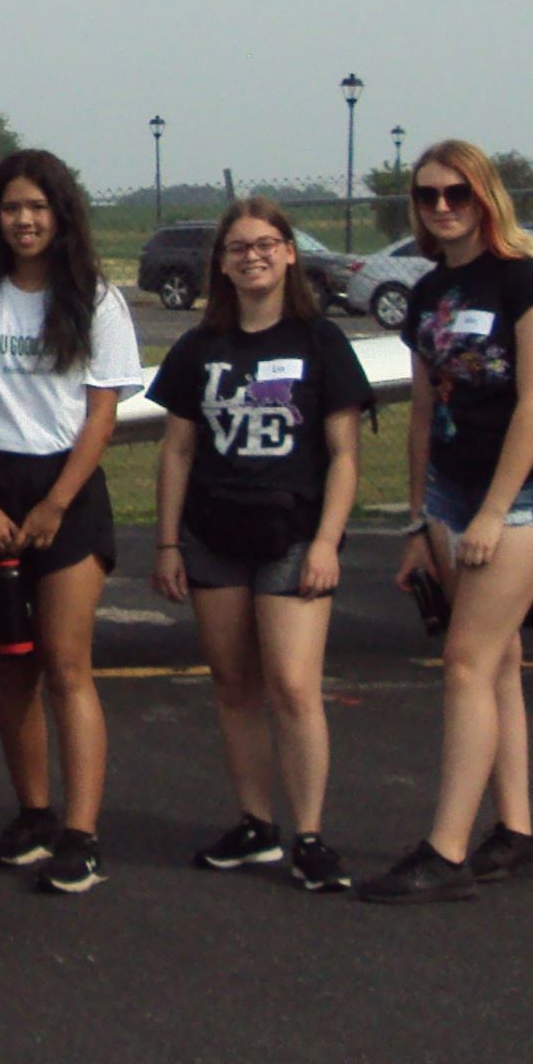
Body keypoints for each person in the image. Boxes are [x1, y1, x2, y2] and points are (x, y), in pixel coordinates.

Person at [360, 142, 533, 904]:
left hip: (525, 493)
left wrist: (491, 513)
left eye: (456, 193)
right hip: (451, 494)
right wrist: (422, 518)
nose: (442, 207)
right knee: (500, 660)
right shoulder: (428, 294)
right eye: (427, 197)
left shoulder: (528, 281)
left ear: (485, 195)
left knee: (465, 661)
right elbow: (424, 407)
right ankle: (514, 834)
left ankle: (446, 851)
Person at [0, 148, 145, 895]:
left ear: (62, 216)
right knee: (11, 664)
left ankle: (81, 834)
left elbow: (103, 413)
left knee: (65, 662)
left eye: (38, 208)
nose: (24, 221)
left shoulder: (96, 300)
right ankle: (35, 813)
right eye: (12, 208)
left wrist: (54, 506)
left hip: (68, 494)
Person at [150, 199, 372, 894]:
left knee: (294, 686)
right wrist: (167, 542)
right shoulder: (199, 346)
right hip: (215, 535)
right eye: (239, 247)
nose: (253, 256)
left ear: (289, 253)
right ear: (221, 262)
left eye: (267, 244)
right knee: (233, 683)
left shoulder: (320, 341)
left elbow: (343, 454)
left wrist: (328, 541)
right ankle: (255, 822)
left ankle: (309, 833)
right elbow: (178, 450)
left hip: (293, 534)